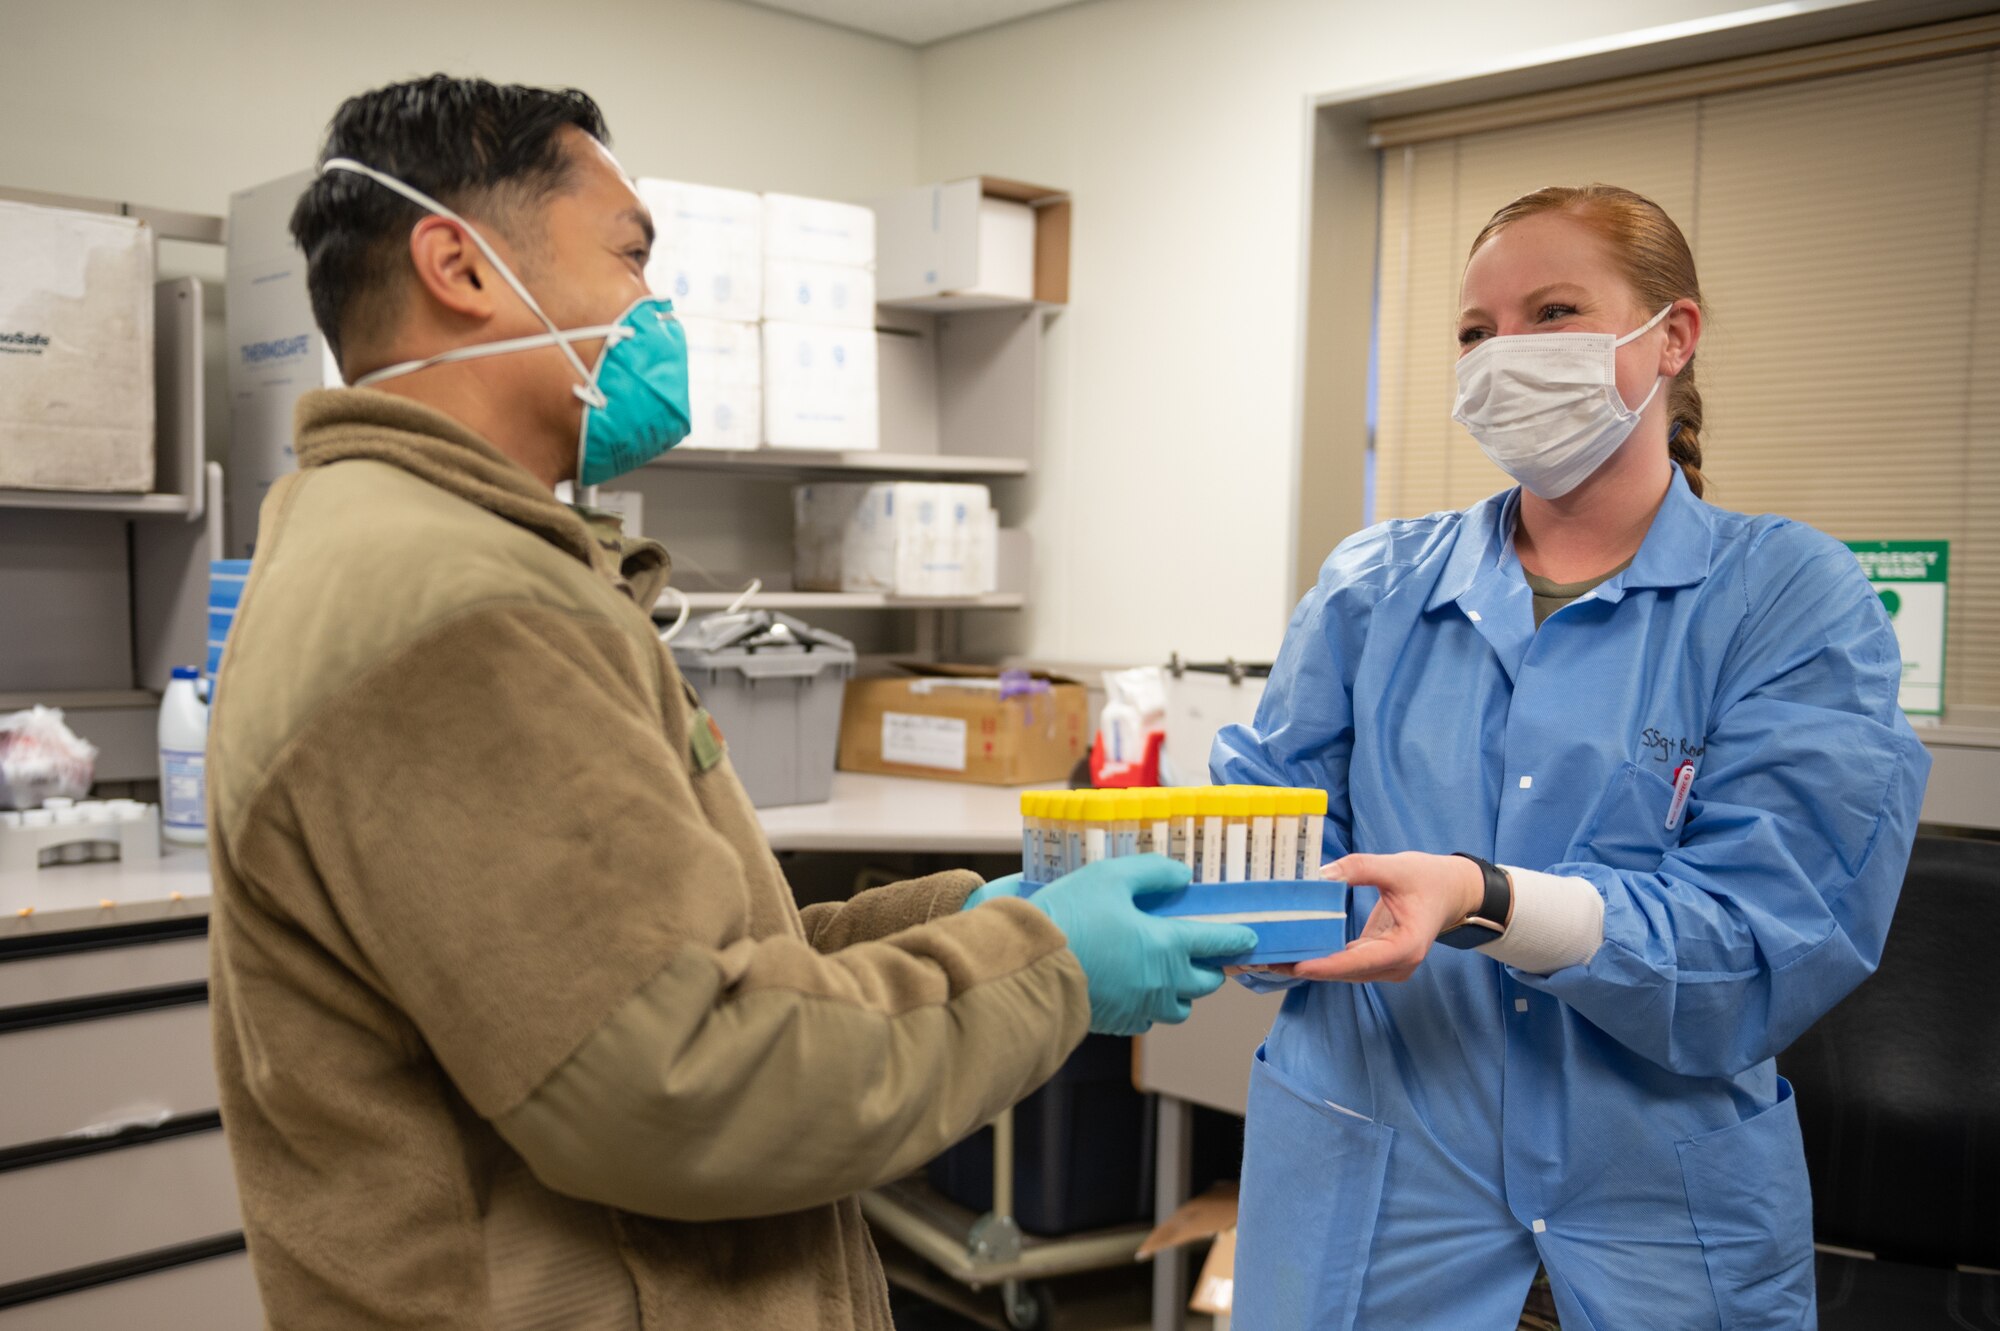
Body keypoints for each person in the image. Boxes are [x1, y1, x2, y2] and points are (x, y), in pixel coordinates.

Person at [205, 74, 1256, 1330]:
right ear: (461, 266)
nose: (655, 313)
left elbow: (665, 973)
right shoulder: (456, 602)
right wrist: (1045, 967)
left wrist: (968, 914)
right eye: (629, 259)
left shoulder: (417, 548)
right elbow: (690, 1080)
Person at [1213, 184, 1931, 1330]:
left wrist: (1486, 899)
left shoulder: (1786, 598)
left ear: (1671, 337)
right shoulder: (1373, 587)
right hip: (1377, 1171)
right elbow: (1266, 842)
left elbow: (1765, 940)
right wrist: (1171, 892)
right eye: (1474, 331)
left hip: (1655, 1206)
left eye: (1551, 311)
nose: (1506, 356)